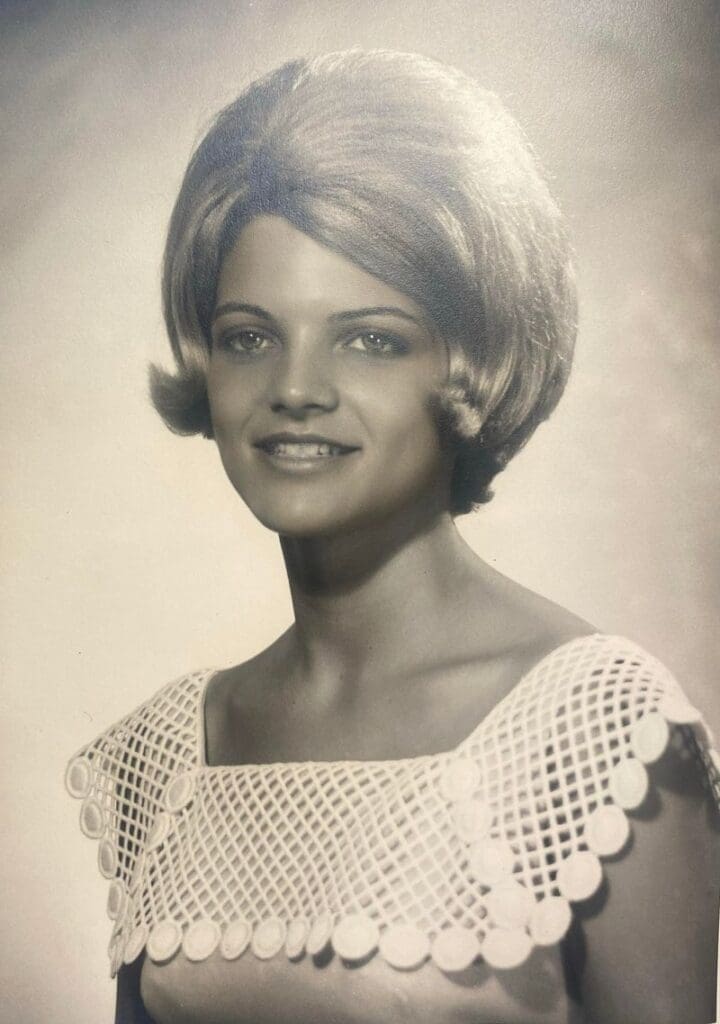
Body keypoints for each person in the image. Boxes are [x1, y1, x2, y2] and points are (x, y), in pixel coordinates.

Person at [66, 50, 719, 1024]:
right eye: (251, 335)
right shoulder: (163, 760)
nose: (296, 387)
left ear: (471, 361)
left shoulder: (596, 731)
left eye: (368, 337)